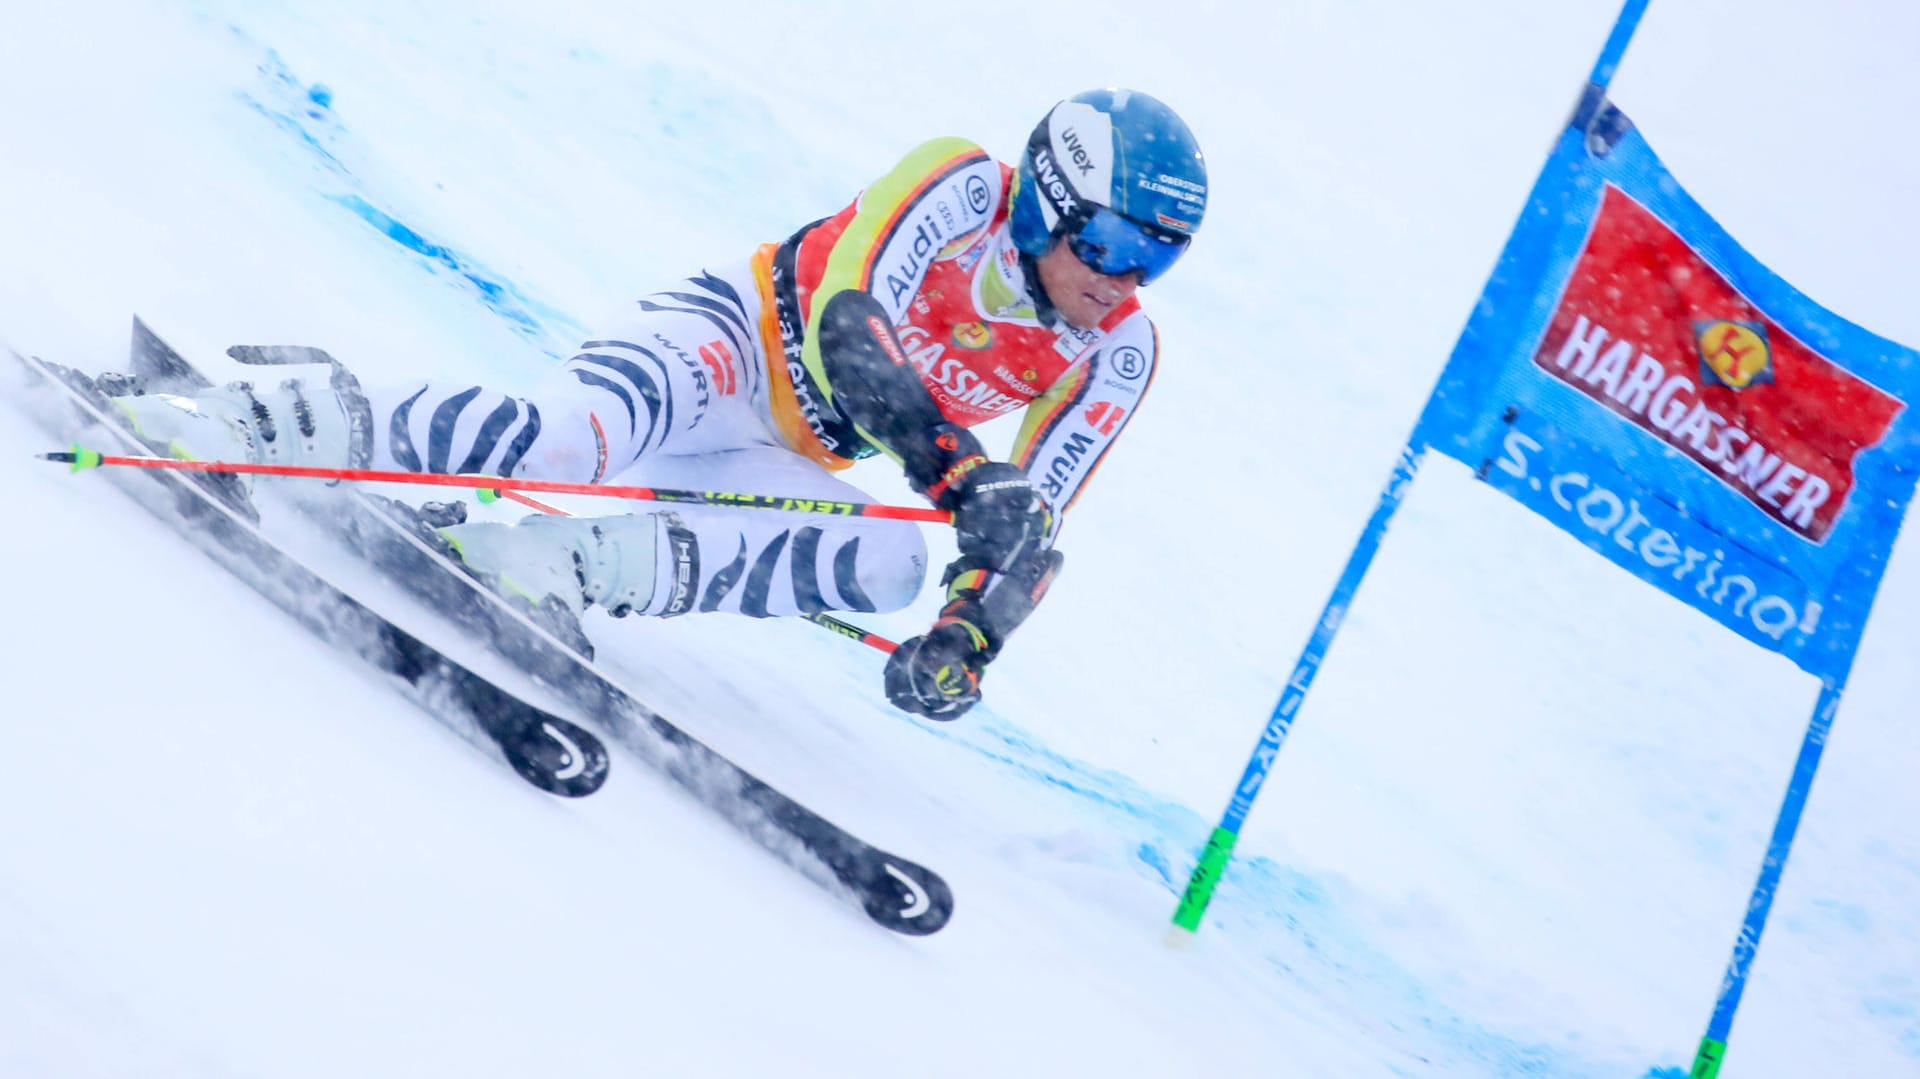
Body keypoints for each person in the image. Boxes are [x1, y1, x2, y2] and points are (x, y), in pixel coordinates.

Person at [112, 88, 1209, 720]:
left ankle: (546, 568)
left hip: (793, 449)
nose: (1120, 278)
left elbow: (1026, 526)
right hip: (733, 342)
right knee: (564, 441)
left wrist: (968, 635)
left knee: (892, 559)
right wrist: (959, 468)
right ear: (1051, 201)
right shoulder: (962, 183)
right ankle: (253, 419)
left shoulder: (1113, 353)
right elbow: (846, 322)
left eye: (1156, 260)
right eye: (1109, 240)